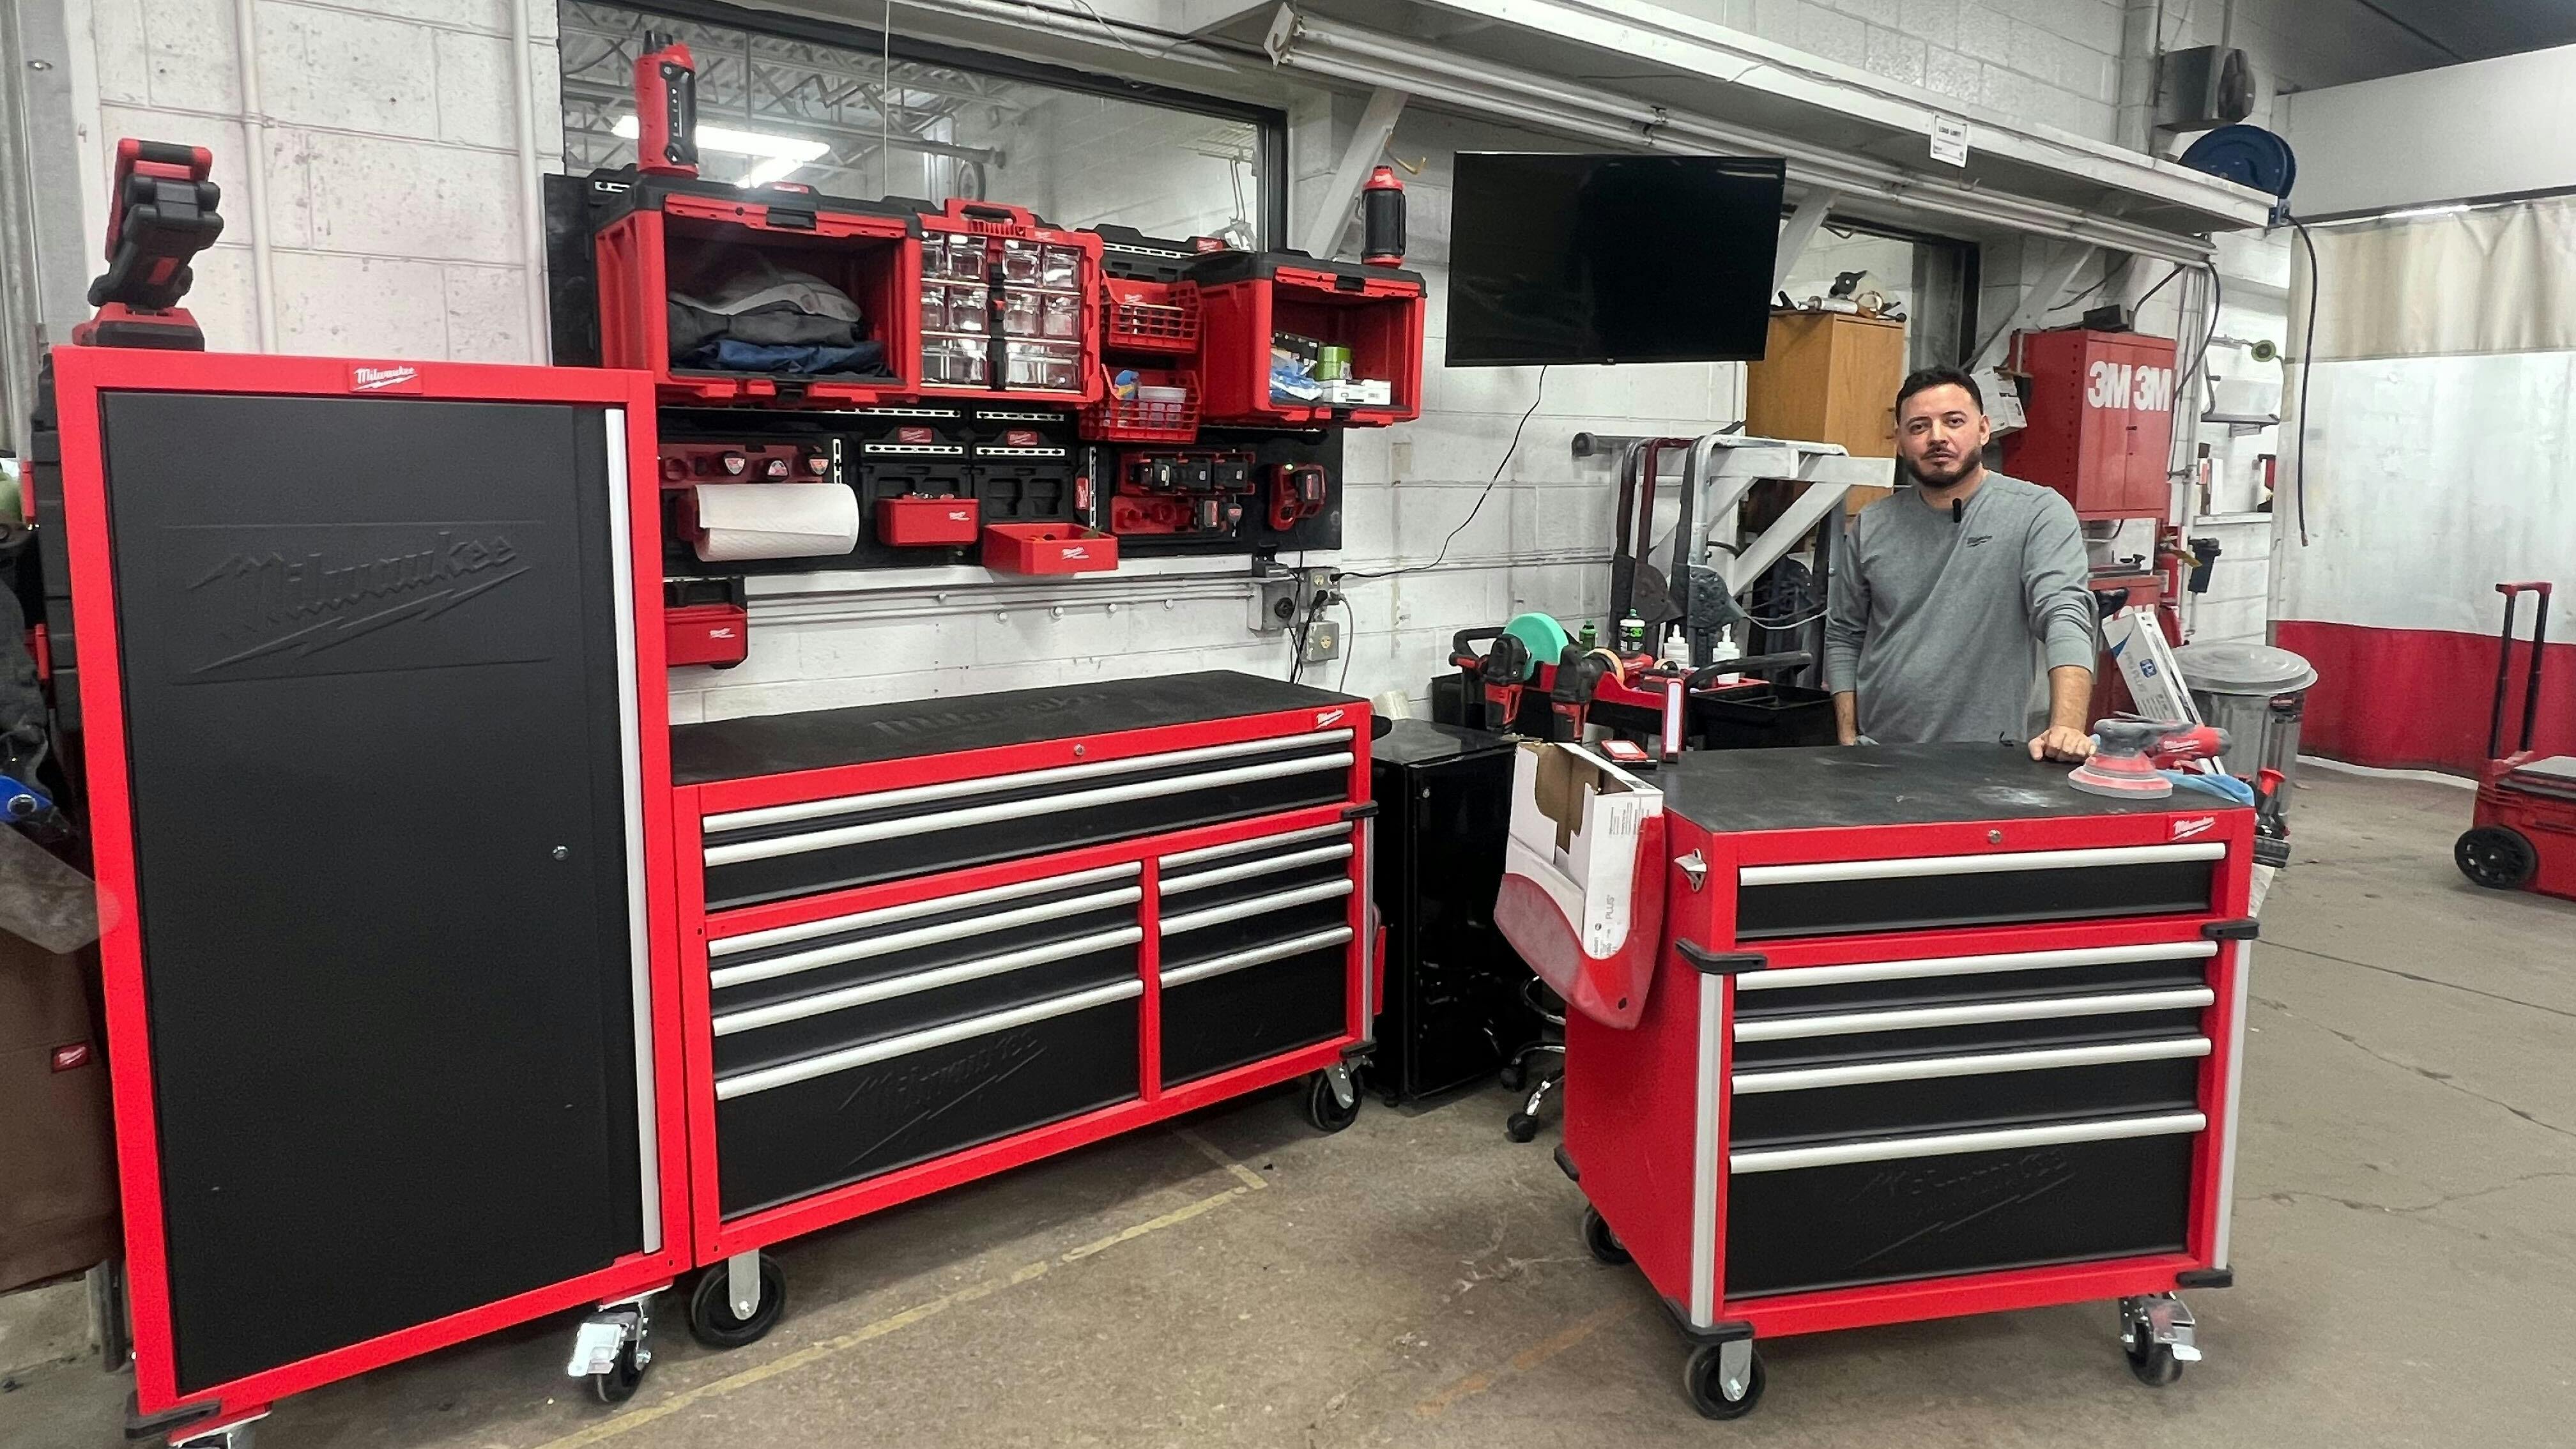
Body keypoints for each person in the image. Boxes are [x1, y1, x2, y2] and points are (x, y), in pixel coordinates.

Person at [1823, 365, 2099, 762]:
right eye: (1918, 427)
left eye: (1954, 421)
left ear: (1984, 429)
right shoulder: (1873, 523)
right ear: (1899, 442)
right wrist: (1848, 735)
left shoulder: (2037, 512)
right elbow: (1844, 633)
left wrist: (2068, 726)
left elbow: (2064, 614)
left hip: (1989, 756)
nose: (1937, 437)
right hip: (1879, 753)